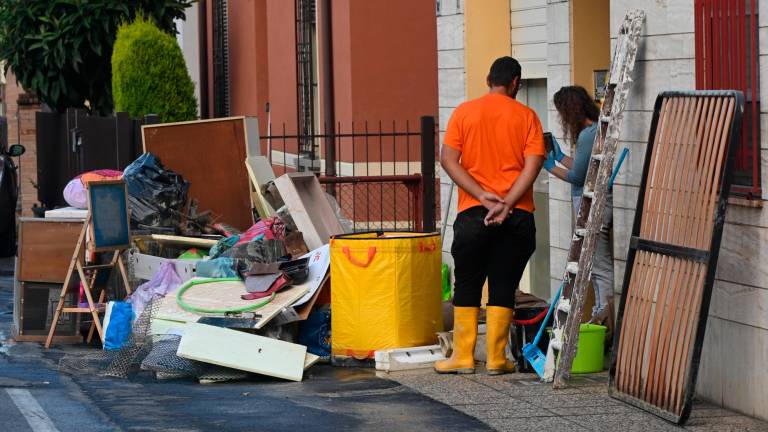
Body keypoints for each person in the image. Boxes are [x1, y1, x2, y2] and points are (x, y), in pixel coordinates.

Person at [435, 56, 545, 375]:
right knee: (504, 283)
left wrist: (482, 194)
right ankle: (497, 359)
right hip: (517, 215)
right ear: (516, 84)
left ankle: (463, 357)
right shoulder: (527, 116)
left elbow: (448, 159)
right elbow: (534, 163)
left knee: (468, 282)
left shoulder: (464, 113)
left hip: (473, 212)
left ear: (488, 80)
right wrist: (508, 202)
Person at [545, 85, 614, 320]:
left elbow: (577, 177)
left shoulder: (587, 134)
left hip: (592, 204)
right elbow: (582, 168)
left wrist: (550, 166)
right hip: (593, 202)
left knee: (599, 266)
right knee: (593, 264)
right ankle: (600, 314)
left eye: (561, 113)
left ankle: (603, 317)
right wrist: (559, 156)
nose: (561, 119)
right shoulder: (595, 130)